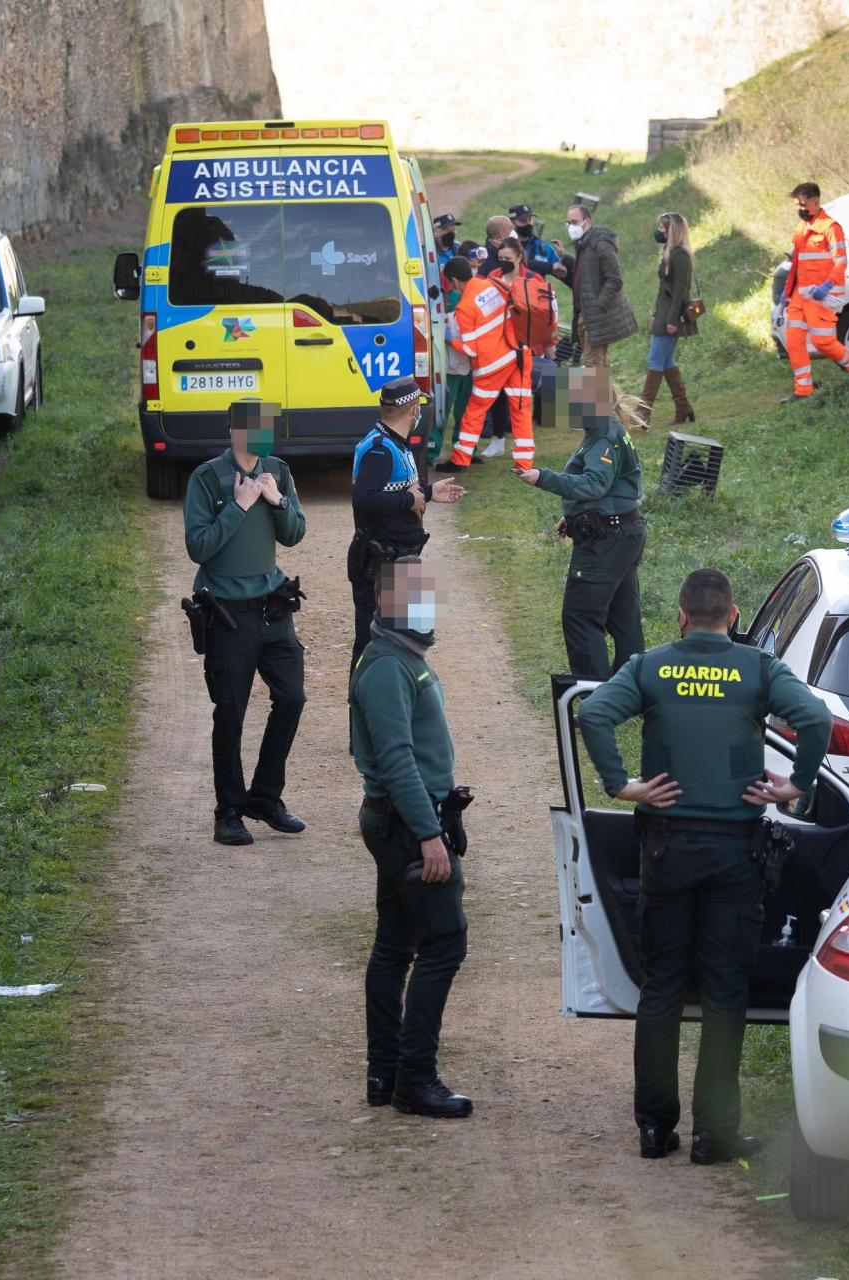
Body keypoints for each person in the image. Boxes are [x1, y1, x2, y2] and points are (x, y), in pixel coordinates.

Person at [578, 568, 833, 1165]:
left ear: (682, 616)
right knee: (724, 994)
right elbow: (815, 720)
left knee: (662, 986)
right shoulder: (758, 670)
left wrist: (622, 785)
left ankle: (653, 1127)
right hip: (734, 854)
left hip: (666, 848)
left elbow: (592, 715)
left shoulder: (650, 666)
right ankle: (714, 1134)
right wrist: (795, 785)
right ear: (735, 615)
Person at [350, 558, 473, 1119]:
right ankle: (413, 1079)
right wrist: (429, 835)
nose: (427, 610)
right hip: (405, 823)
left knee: (396, 945)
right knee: (442, 944)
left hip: (404, 818)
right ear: (388, 606)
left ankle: (386, 1073)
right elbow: (396, 760)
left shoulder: (402, 658)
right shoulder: (385, 668)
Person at [183, 400, 308, 847]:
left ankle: (265, 798)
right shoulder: (208, 478)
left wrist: (275, 501)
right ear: (234, 430)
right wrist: (237, 506)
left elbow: (294, 533)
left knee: (292, 698)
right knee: (231, 711)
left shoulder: (278, 470)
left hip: (273, 609)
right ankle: (229, 810)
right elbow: (198, 547)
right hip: (227, 616)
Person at [516, 368, 645, 677]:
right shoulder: (603, 428)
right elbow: (610, 488)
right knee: (623, 619)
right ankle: (630, 692)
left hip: (607, 540)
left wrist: (542, 478)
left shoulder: (603, 435)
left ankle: (596, 701)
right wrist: (573, 516)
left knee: (580, 617)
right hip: (621, 532)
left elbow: (594, 484)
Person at [350, 377, 465, 668]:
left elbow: (398, 492)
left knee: (415, 639)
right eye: (420, 407)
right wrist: (408, 501)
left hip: (403, 559)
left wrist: (428, 493)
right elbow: (364, 500)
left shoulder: (395, 443)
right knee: (373, 646)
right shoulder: (380, 450)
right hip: (381, 563)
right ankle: (364, 706)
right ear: (413, 410)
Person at [437, 249, 534, 473]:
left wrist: (451, 340)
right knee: (520, 409)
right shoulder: (491, 284)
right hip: (518, 354)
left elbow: (471, 349)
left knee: (475, 411)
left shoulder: (464, 308)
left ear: (453, 280)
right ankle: (525, 464)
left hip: (492, 366)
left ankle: (460, 460)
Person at [780, 181, 849, 403]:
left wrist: (827, 285)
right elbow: (796, 263)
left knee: (822, 341)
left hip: (822, 295)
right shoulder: (802, 229)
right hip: (800, 294)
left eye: (803, 204)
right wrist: (786, 293)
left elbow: (841, 261)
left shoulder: (830, 228)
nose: (800, 209)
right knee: (793, 340)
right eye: (797, 204)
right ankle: (803, 391)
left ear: (816, 202)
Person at [486, 236, 560, 445]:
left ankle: (523, 439)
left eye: (507, 257)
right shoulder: (493, 277)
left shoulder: (534, 279)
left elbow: (547, 315)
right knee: (498, 392)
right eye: (500, 257)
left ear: (519, 257)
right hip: (500, 344)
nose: (503, 261)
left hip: (528, 345)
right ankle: (497, 438)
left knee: (522, 394)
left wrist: (549, 343)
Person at [565, 203, 637, 368]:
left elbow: (615, 279)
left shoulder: (600, 244)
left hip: (595, 315)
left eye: (575, 222)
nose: (571, 227)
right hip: (585, 314)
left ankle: (599, 394)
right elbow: (587, 270)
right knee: (599, 364)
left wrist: (598, 305)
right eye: (568, 223)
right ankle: (609, 394)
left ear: (587, 222)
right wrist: (564, 257)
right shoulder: (583, 243)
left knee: (592, 364)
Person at [642, 211, 695, 425]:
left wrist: (673, 320)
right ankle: (683, 407)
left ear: (672, 230)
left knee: (655, 359)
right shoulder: (669, 251)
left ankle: (642, 413)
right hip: (664, 313)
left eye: (663, 228)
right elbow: (664, 288)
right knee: (665, 361)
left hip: (672, 314)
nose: (659, 231)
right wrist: (656, 315)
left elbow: (681, 290)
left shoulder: (679, 254)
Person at [429, 256, 475, 463]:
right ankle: (432, 451)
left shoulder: (467, 297)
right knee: (445, 408)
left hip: (466, 361)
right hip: (453, 364)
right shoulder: (473, 294)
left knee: (464, 409)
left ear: (453, 280)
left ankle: (463, 448)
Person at [508, 202, 562, 278]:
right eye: (523, 220)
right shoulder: (505, 245)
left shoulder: (543, 247)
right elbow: (518, 264)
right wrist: (548, 267)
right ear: (512, 223)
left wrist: (561, 255)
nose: (528, 223)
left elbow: (561, 270)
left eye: (530, 219)